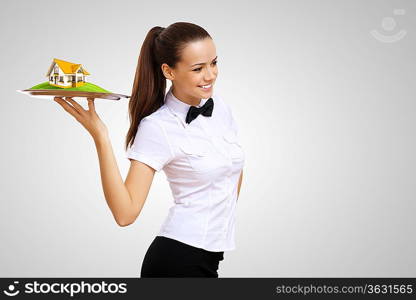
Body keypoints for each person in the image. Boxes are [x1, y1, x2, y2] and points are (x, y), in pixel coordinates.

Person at [53, 22, 245, 278]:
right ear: (169, 71)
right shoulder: (158, 127)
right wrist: (101, 136)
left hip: (210, 258)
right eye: (198, 68)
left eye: (214, 63)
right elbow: (125, 213)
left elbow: (232, 172)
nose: (210, 75)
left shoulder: (220, 107)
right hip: (178, 262)